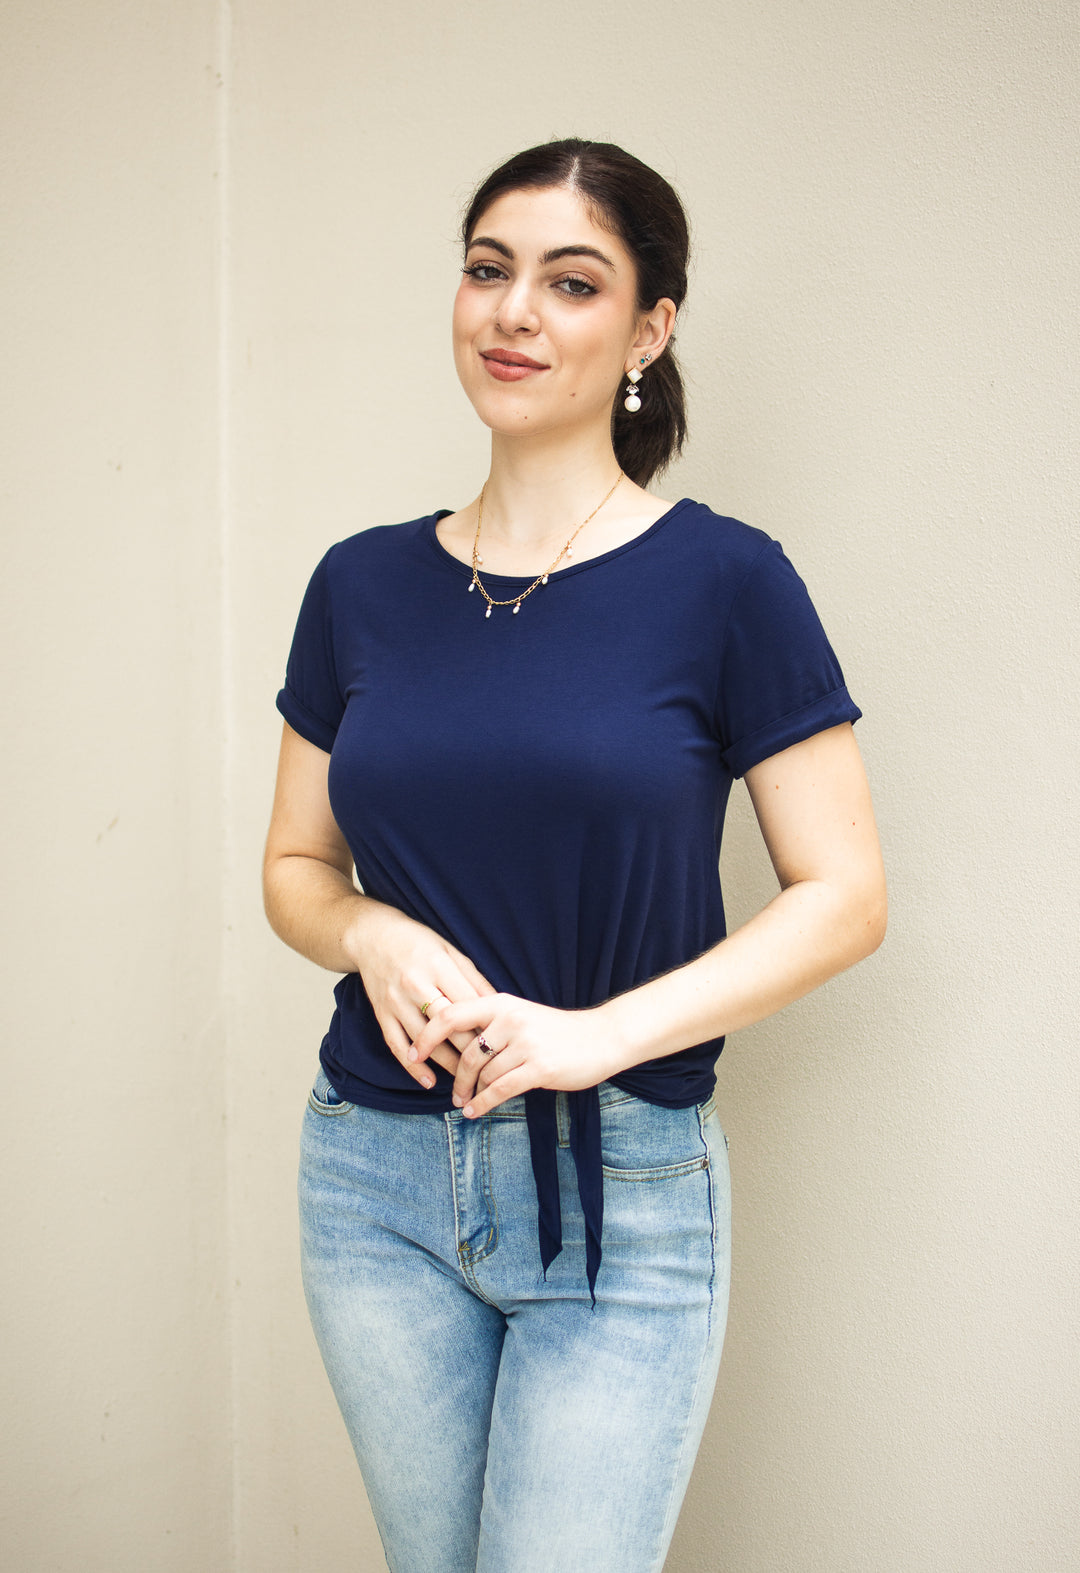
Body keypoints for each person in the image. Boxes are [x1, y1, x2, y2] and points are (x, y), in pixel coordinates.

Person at [263, 137, 887, 1573]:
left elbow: (847, 896)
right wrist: (370, 932)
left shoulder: (727, 580)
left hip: (623, 1194)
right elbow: (297, 865)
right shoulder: (359, 584)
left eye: (571, 280)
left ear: (649, 330)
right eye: (489, 270)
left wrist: (594, 1036)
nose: (513, 312)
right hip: (373, 1181)